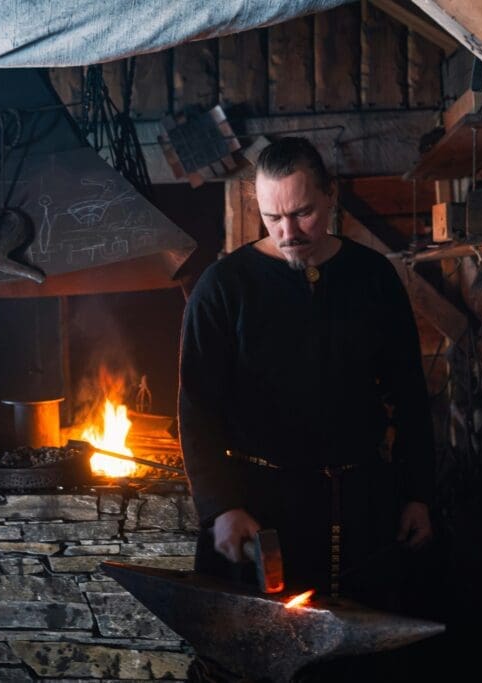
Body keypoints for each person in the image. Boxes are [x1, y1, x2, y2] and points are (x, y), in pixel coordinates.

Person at [178, 137, 435, 638]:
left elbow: (408, 392)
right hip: (261, 506)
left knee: (363, 659)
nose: (288, 232)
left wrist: (417, 493)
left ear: (331, 194)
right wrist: (221, 506)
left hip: (363, 506)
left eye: (302, 214)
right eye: (273, 218)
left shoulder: (373, 277)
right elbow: (197, 407)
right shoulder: (223, 287)